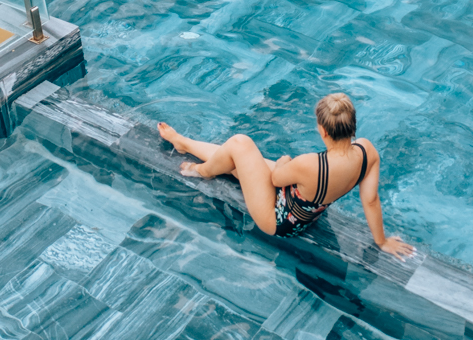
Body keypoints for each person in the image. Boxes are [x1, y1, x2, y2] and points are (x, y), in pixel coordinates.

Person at [157, 92, 414, 259]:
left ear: (323, 131)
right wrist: (381, 242)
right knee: (240, 160)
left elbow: (275, 180)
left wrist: (284, 161)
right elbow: (370, 201)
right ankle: (184, 143)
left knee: (239, 143)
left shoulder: (310, 164)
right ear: (353, 125)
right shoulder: (367, 151)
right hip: (305, 210)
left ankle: (199, 171)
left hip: (278, 220)